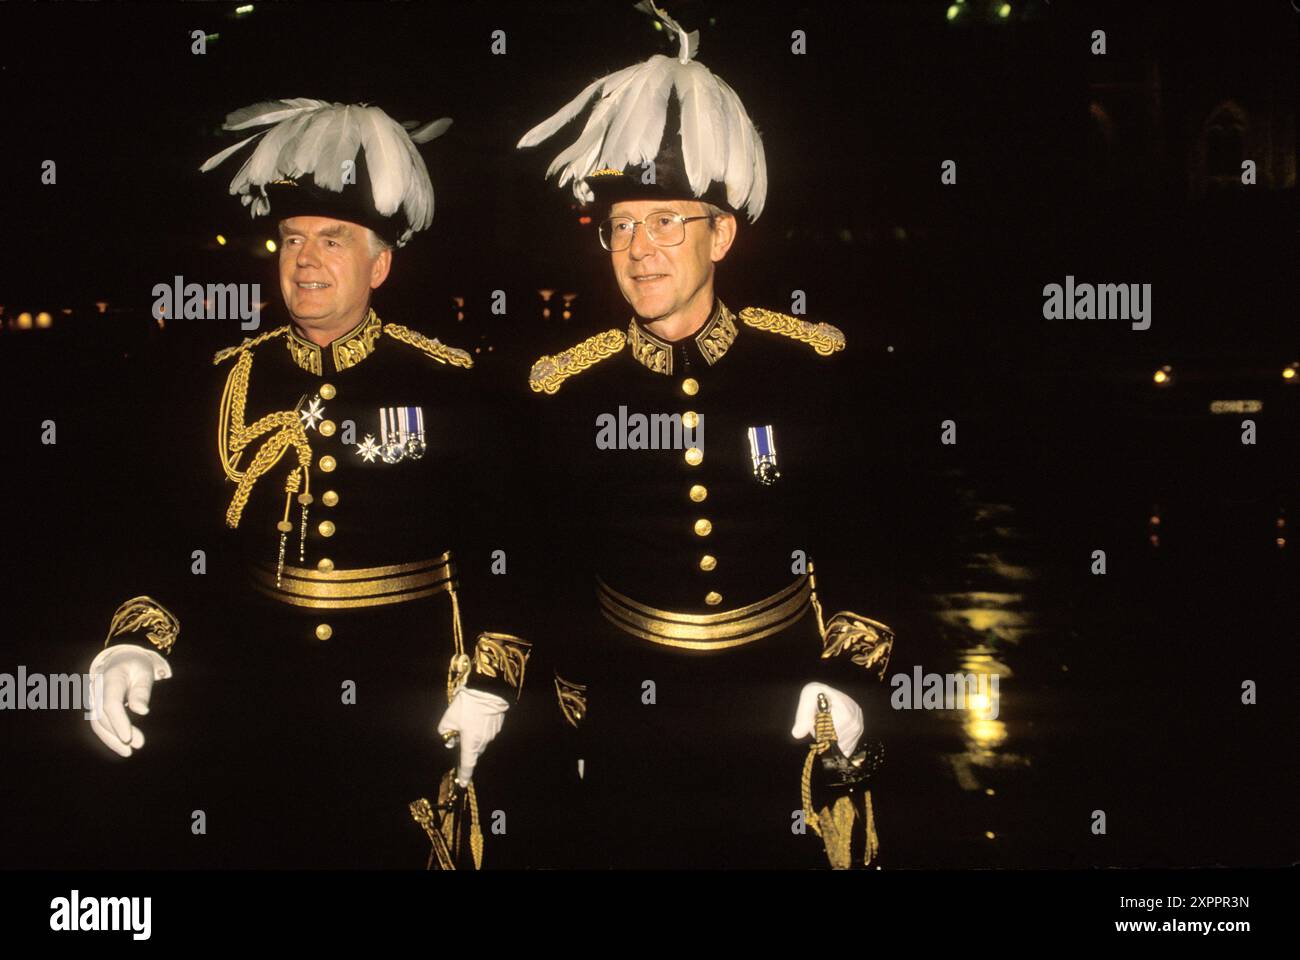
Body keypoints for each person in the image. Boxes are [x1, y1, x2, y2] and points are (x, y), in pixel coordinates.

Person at [81, 99, 528, 869]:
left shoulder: (452, 383)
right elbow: (175, 537)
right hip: (258, 700)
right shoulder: (225, 380)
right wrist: (132, 641)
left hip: (409, 700)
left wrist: (493, 679)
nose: (305, 258)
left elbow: (509, 549)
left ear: (380, 264)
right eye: (291, 239)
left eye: (332, 239)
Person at [514, 3, 900, 868]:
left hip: (785, 704)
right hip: (626, 723)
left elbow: (870, 538)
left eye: (665, 221)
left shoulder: (810, 367)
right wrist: (560, 697)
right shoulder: (564, 386)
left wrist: (851, 672)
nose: (638, 248)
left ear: (721, 233)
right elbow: (543, 559)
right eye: (620, 225)